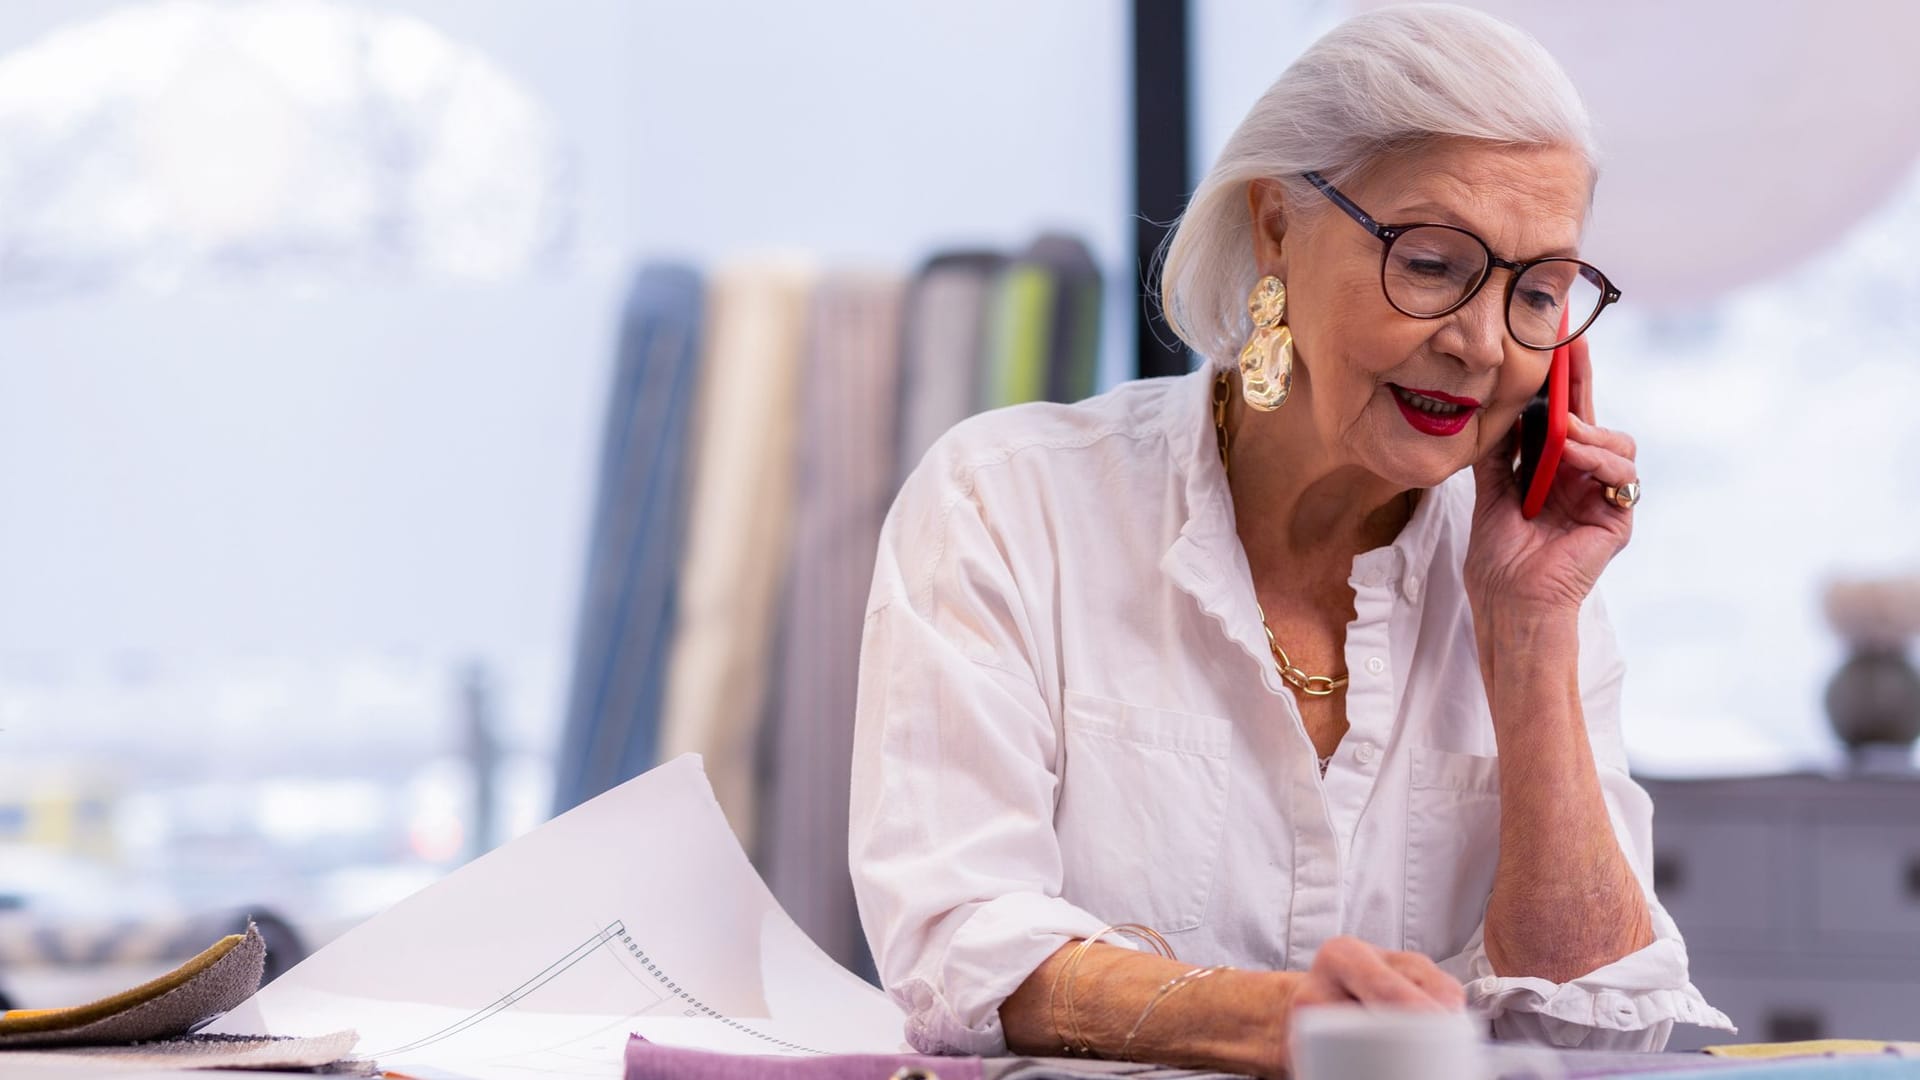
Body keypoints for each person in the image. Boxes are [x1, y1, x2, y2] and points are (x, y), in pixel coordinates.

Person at [848, 4, 1730, 1074]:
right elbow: (954, 947)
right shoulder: (1007, 504)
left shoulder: (1527, 584)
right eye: (1435, 262)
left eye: (1539, 292)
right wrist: (1272, 1021)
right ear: (1276, 225)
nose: (1482, 344)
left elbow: (1600, 1033)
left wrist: (1528, 634)